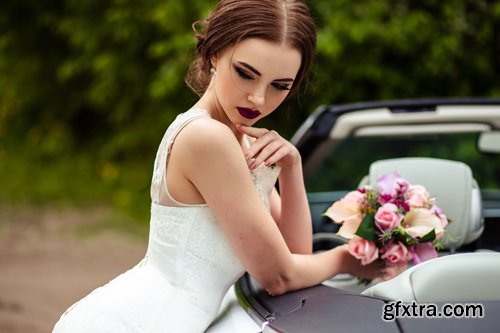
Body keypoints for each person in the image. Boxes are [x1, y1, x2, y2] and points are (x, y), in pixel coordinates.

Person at [53, 0, 379, 332]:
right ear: (214, 53)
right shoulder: (207, 137)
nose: (258, 98)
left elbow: (295, 256)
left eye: (279, 86)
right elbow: (279, 277)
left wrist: (292, 168)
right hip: (152, 319)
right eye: (245, 74)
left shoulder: (245, 141)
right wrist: (346, 258)